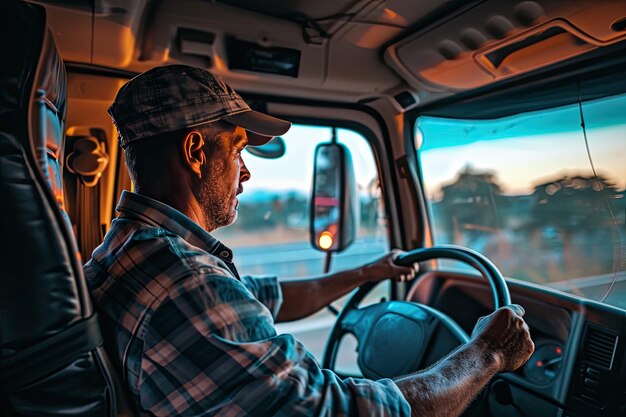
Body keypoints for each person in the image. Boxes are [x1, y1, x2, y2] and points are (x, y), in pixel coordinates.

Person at [85, 64, 534, 417]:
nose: (246, 171)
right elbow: (340, 412)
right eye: (238, 150)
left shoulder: (130, 251)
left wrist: (369, 272)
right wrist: (487, 353)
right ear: (196, 152)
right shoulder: (188, 283)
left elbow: (263, 297)